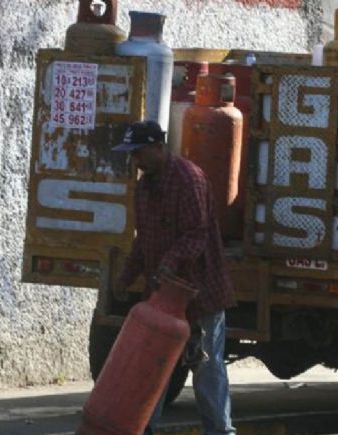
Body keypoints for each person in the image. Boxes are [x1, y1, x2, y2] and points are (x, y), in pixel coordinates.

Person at [113, 121, 236, 435]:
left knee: (207, 367)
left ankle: (220, 431)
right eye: (131, 155)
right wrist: (126, 277)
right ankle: (145, 429)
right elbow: (143, 240)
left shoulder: (188, 179)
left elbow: (197, 233)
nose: (135, 161)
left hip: (200, 291)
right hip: (161, 295)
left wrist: (169, 263)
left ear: (158, 147)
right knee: (154, 366)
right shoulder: (144, 188)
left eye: (139, 153)